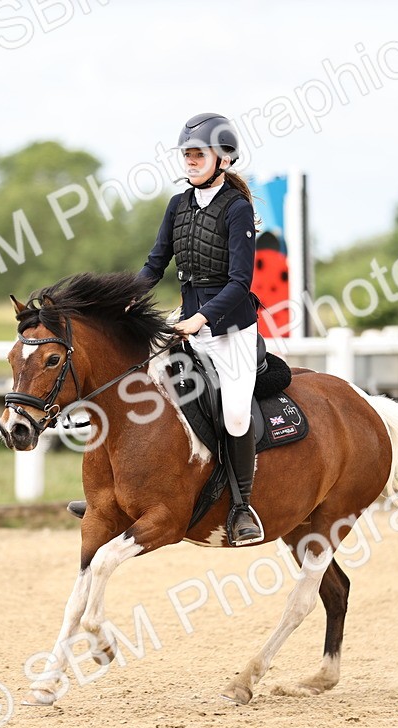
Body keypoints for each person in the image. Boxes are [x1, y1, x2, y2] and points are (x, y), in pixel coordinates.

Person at [137, 112, 265, 545]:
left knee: (232, 413)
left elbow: (240, 282)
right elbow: (156, 263)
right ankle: (119, 495)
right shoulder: (178, 205)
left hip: (231, 331)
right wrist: (122, 302)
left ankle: (242, 506)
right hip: (187, 323)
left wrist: (201, 318)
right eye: (187, 154)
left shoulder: (237, 209)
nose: (190, 161)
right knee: (134, 382)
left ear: (223, 159)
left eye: (198, 154)